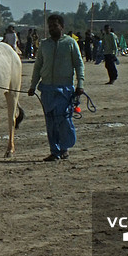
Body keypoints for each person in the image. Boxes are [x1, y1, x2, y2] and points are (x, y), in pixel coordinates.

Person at [28, 14, 85, 161]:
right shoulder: (44, 45)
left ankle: (64, 148)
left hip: (64, 90)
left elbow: (79, 64)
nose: (52, 28)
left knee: (64, 120)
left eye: (55, 25)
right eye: (50, 26)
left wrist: (80, 85)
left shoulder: (71, 43)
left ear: (62, 26)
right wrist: (33, 86)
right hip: (47, 90)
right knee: (51, 122)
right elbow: (38, 66)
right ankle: (54, 151)